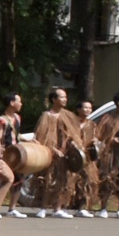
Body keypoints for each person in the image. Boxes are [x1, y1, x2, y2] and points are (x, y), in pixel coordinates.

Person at [33, 87, 84, 219]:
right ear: (54, 99)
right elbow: (41, 137)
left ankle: (57, 208)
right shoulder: (47, 116)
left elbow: (73, 135)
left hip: (65, 155)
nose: (65, 99)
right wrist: (53, 149)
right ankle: (43, 208)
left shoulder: (68, 115)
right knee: (48, 181)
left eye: (65, 97)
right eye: (61, 97)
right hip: (50, 154)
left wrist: (72, 145)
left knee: (63, 181)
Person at [0, 93, 28, 217]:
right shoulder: (1, 120)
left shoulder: (17, 118)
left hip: (16, 155)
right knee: (2, 179)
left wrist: (29, 140)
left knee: (19, 180)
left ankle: (12, 208)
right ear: (12, 103)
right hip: (5, 154)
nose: (21, 104)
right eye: (19, 101)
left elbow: (16, 136)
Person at [73, 100, 100, 217]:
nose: (88, 110)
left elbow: (97, 138)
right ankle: (62, 206)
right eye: (85, 108)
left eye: (90, 108)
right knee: (69, 182)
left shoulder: (92, 125)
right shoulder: (72, 123)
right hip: (73, 157)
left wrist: (96, 141)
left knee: (86, 181)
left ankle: (82, 207)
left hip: (87, 158)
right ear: (79, 109)